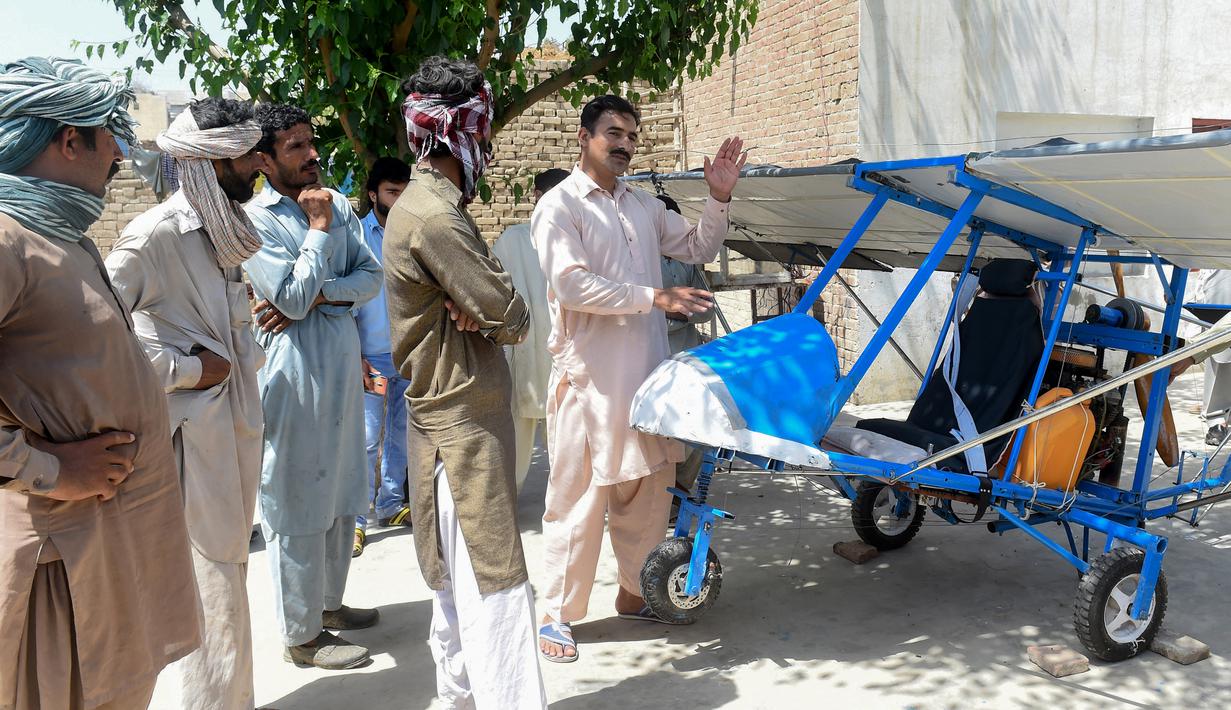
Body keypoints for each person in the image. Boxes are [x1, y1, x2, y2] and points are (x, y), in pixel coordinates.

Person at [0, 57, 199, 709]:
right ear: (69, 140)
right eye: (108, 134)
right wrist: (49, 469)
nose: (118, 153)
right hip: (62, 562)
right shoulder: (7, 241)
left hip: (113, 546)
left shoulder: (62, 238)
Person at [532, 94, 745, 661]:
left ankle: (635, 592)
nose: (625, 144)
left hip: (647, 381)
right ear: (584, 136)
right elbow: (571, 285)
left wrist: (719, 196)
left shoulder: (644, 207)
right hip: (588, 381)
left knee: (649, 493)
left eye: (632, 135)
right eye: (614, 134)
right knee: (577, 501)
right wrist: (655, 297)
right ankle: (556, 614)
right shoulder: (559, 206)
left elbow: (699, 245)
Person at [383, 56, 547, 708]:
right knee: (495, 597)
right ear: (462, 134)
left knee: (457, 600)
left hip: (448, 430)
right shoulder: (436, 219)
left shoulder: (427, 206)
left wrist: (481, 303)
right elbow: (512, 316)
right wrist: (489, 305)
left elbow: (491, 309)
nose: (488, 145)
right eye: (483, 131)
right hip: (462, 438)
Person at [104, 97, 265, 709]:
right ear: (210, 160)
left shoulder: (222, 229)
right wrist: (188, 369)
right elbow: (96, 335)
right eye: (245, 155)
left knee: (228, 580)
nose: (256, 165)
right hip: (190, 443)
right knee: (210, 587)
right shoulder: (156, 235)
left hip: (232, 431)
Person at [244, 103, 384, 670]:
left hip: (341, 366)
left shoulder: (339, 205)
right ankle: (301, 636)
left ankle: (328, 606)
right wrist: (320, 234)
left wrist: (324, 292)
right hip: (292, 372)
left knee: (343, 491)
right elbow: (288, 298)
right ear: (264, 159)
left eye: (311, 142)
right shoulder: (255, 221)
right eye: (296, 146)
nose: (312, 154)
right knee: (298, 499)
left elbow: (370, 278)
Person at [490, 167, 570, 492]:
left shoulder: (577, 240)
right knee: (516, 437)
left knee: (566, 438)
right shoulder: (513, 240)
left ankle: (569, 504)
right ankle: (508, 500)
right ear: (537, 197)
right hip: (522, 352)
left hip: (564, 355)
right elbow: (492, 293)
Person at [354, 156, 414, 557]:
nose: (399, 200)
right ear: (373, 194)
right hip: (370, 357)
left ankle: (391, 504)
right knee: (365, 438)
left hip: (408, 354)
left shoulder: (411, 233)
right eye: (392, 192)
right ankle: (357, 519)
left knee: (401, 433)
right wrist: (354, 353)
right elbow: (347, 300)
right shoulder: (356, 237)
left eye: (404, 192)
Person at [655, 193, 716, 500]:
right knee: (659, 433)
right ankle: (660, 498)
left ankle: (679, 494)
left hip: (687, 359)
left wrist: (674, 311)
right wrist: (674, 311)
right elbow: (639, 311)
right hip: (654, 359)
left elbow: (707, 309)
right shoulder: (640, 262)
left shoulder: (686, 260)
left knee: (698, 427)